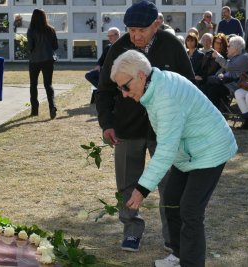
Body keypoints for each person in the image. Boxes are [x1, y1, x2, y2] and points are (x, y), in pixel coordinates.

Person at [109, 49, 237, 267]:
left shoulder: (165, 95)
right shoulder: (154, 86)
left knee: (190, 210)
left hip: (210, 150)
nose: (124, 93)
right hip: (188, 152)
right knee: (171, 201)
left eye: (125, 86)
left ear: (140, 75)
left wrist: (141, 190)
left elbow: (166, 148)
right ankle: (179, 255)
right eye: (119, 88)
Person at [96, 0, 195, 253]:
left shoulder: (172, 45)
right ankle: (131, 230)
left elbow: (189, 86)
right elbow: (105, 90)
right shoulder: (119, 48)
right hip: (127, 128)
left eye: (142, 30)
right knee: (127, 183)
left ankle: (172, 237)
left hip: (165, 128)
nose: (136, 36)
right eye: (131, 30)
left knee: (169, 185)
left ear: (157, 24)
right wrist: (107, 123)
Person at [201, 35, 248, 109]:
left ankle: (213, 111)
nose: (227, 48)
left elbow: (229, 66)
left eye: (229, 46)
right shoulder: (234, 56)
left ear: (235, 48)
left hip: (236, 86)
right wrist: (219, 75)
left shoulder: (244, 57)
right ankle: (206, 109)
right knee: (207, 84)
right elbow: (222, 70)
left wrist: (218, 56)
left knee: (212, 88)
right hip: (227, 83)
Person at [27, 8, 58, 119]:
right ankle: (52, 106)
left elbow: (30, 47)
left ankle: (35, 110)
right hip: (48, 60)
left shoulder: (31, 30)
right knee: (48, 85)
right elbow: (55, 46)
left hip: (35, 60)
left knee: (33, 85)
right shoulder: (51, 30)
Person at [85, 27, 120, 103]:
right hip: (105, 71)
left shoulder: (122, 47)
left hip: (116, 72)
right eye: (108, 36)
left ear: (117, 35)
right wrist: (98, 66)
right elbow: (101, 60)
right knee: (89, 75)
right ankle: (104, 91)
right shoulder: (108, 47)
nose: (109, 38)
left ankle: (105, 91)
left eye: (111, 36)